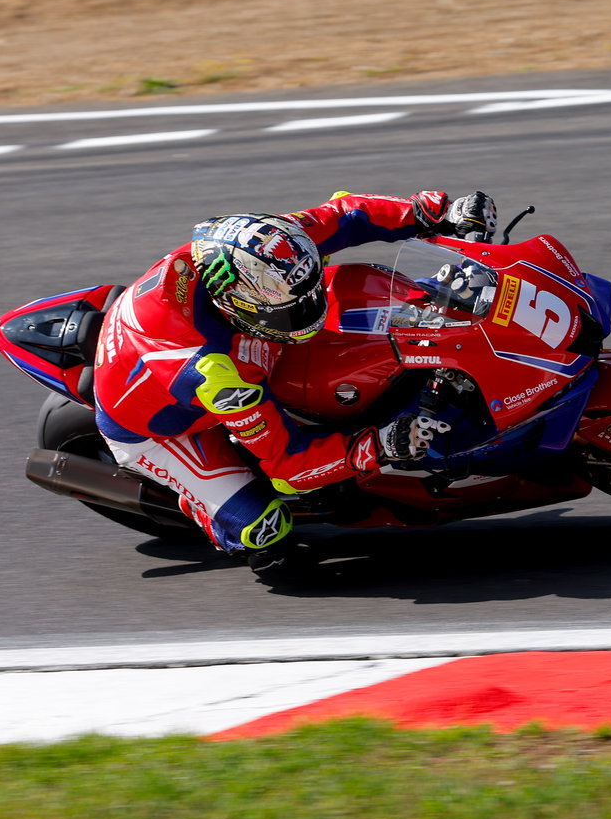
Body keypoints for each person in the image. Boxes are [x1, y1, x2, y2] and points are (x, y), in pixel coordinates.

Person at [90, 190, 497, 578]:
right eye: (294, 309)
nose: (309, 309)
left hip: (236, 344)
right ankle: (214, 518)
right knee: (267, 531)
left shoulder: (265, 247)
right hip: (162, 429)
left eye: (308, 295)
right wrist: (381, 444)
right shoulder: (215, 376)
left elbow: (344, 215)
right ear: (236, 304)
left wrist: (435, 212)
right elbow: (288, 466)